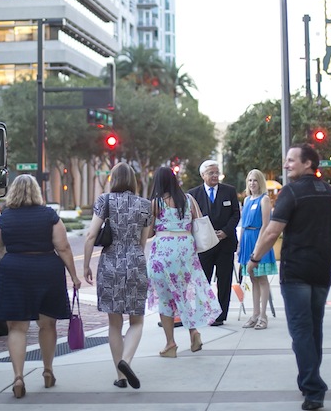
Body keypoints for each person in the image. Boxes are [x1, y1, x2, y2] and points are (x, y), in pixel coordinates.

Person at [246, 144, 331, 411]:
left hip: (296, 271)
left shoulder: (292, 193)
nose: (286, 165)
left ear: (308, 163)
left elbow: (273, 232)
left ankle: (313, 389)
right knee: (313, 328)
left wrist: (254, 259)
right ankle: (307, 380)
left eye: (291, 161)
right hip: (322, 271)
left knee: (300, 330)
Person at [0, 174, 81, 399]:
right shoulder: (49, 216)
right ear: (37, 191)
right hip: (46, 269)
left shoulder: (5, 217)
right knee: (47, 325)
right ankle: (48, 371)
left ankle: (18, 376)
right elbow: (64, 247)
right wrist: (74, 276)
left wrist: (9, 257)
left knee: (16, 328)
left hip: (15, 270)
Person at [82, 163, 152, 389]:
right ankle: (126, 361)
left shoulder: (105, 200)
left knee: (114, 323)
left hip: (111, 263)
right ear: (133, 180)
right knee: (137, 320)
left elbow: (92, 234)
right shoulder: (145, 205)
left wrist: (86, 265)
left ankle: (120, 377)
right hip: (135, 262)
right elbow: (143, 242)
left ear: (113, 180)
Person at [147, 166, 221, 358]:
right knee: (183, 294)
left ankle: (170, 344)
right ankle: (193, 332)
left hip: (163, 252)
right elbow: (199, 223)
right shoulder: (189, 199)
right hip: (186, 250)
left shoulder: (156, 203)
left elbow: (148, 233)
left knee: (165, 298)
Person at [188, 159, 240, 325]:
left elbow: (235, 214)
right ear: (203, 175)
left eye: (217, 172)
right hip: (204, 245)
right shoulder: (193, 194)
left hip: (225, 243)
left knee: (224, 281)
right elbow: (190, 218)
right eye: (211, 173)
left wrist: (225, 232)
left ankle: (220, 315)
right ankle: (203, 312)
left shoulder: (229, 191)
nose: (215, 176)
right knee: (203, 280)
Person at [237, 169, 277, 329]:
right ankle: (255, 314)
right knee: (252, 279)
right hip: (247, 239)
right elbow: (242, 224)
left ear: (260, 182)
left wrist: (259, 247)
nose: (252, 183)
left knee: (262, 279)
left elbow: (266, 225)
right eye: (249, 180)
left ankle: (263, 315)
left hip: (258, 239)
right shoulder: (247, 200)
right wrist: (240, 245)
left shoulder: (264, 199)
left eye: (255, 180)